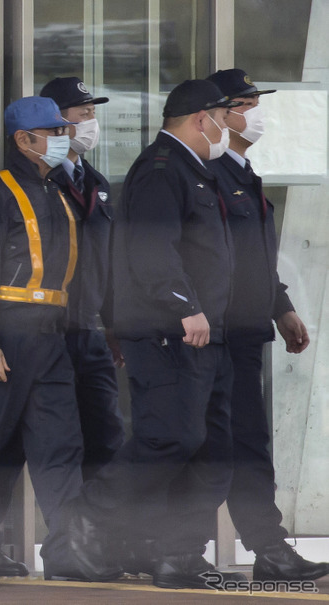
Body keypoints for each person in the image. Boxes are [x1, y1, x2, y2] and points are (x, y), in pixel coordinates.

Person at [66, 80, 248, 589]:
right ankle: (93, 512)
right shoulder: (161, 170)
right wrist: (184, 305)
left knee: (212, 454)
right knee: (171, 438)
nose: (229, 125)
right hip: (170, 333)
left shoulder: (198, 171)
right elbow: (151, 250)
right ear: (199, 119)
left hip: (208, 336)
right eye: (223, 115)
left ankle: (179, 554)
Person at [205, 68, 328, 582]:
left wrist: (281, 307)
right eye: (247, 105)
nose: (257, 115)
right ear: (218, 114)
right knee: (201, 445)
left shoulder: (242, 172)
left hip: (246, 331)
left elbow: (255, 258)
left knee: (249, 445)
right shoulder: (205, 174)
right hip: (212, 336)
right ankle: (167, 547)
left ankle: (269, 549)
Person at [0, 96, 85, 580]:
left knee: (60, 444)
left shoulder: (57, 190)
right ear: (23, 140)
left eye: (61, 130)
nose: (61, 138)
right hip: (6, 334)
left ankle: (67, 551)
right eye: (52, 132)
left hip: (50, 335)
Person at [40, 77, 125, 480]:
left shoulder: (97, 184)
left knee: (106, 435)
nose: (92, 122)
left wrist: (112, 325)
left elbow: (106, 264)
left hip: (89, 332)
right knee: (57, 440)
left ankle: (100, 534)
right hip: (46, 331)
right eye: (84, 113)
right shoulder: (36, 183)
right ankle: (66, 537)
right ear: (58, 121)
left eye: (93, 113)